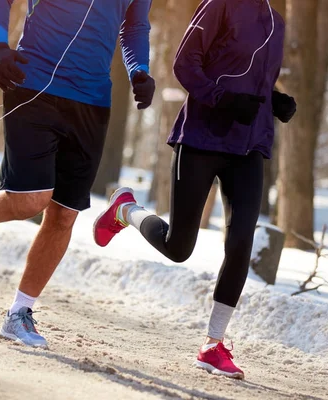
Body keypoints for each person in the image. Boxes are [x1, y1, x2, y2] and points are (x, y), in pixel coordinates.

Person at [93, 0, 295, 379]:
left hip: (248, 147)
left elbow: (256, 79)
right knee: (178, 247)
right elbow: (185, 65)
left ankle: (213, 345)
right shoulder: (220, 6)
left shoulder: (275, 21)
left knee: (241, 243)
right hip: (201, 139)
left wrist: (275, 100)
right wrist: (225, 100)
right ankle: (125, 209)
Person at [0, 0, 155, 348]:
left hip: (91, 99)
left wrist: (139, 69)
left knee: (63, 214)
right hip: (34, 82)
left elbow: (134, 25)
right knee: (31, 199)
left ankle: (19, 313)